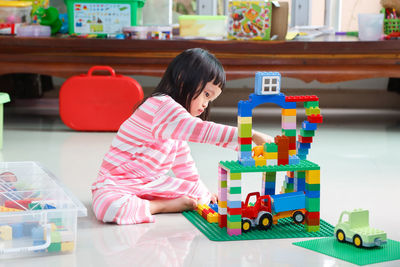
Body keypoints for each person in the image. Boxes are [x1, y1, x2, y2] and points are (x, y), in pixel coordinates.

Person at [92, 48, 273, 225]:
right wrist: (251, 135)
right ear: (182, 79)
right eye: (206, 94)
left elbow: (184, 164)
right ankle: (161, 206)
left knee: (199, 193)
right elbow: (200, 130)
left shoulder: (177, 122)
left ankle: (150, 202)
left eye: (210, 100)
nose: (205, 104)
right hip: (118, 181)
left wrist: (204, 192)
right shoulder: (161, 105)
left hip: (150, 183)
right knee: (108, 208)